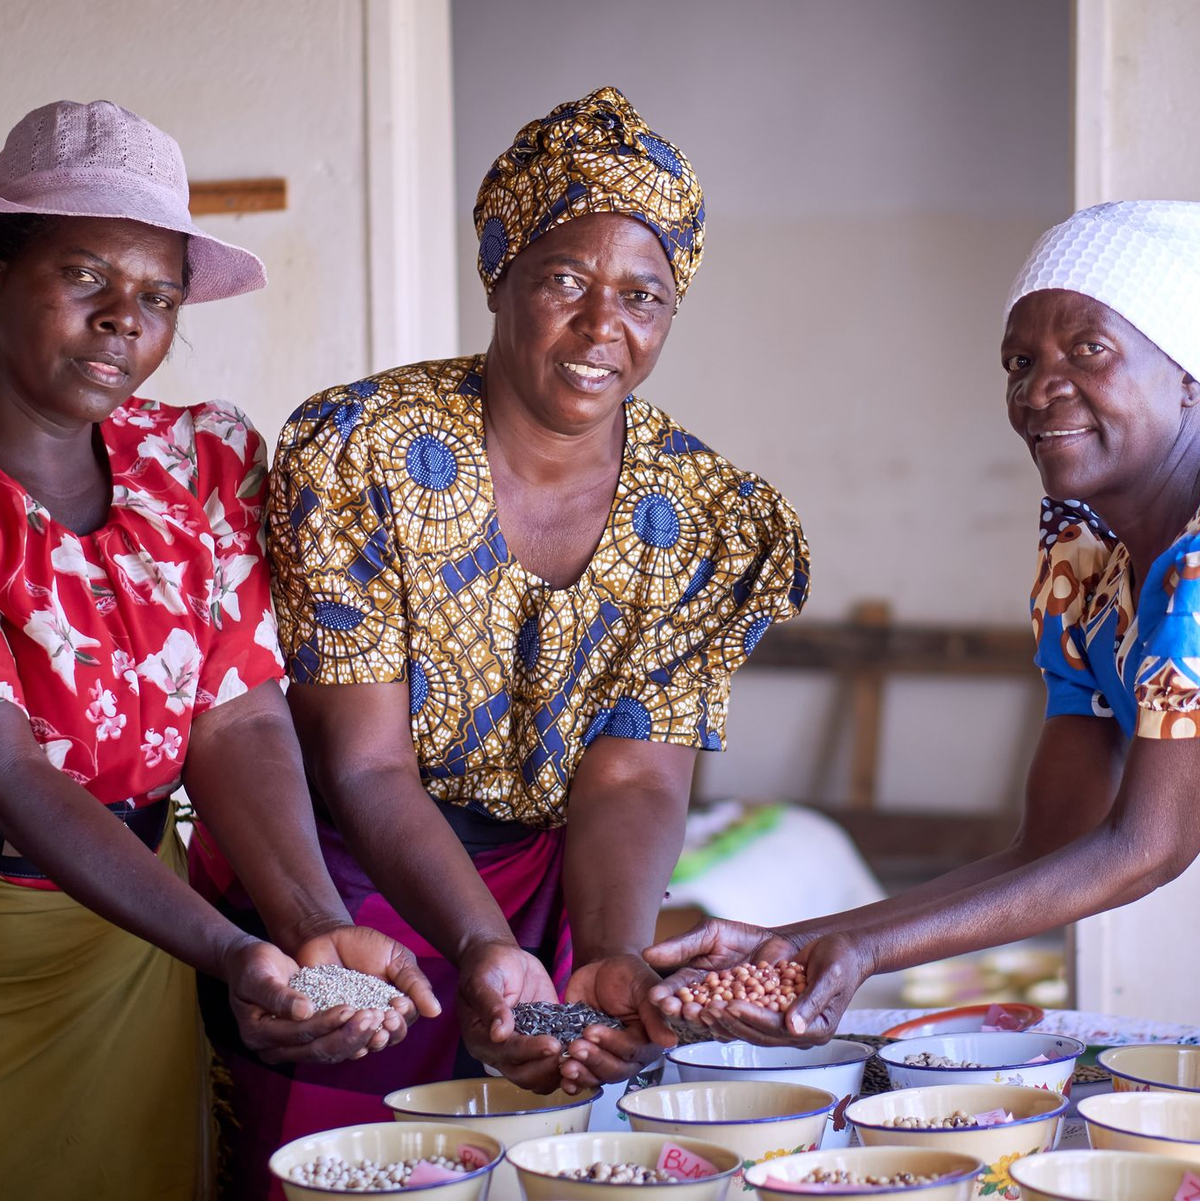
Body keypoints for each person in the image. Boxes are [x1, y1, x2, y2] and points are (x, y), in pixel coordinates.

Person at [190, 85, 811, 1195]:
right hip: (351, 880)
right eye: (565, 280)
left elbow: (632, 773)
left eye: (644, 297)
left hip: (553, 892)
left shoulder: (710, 515)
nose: (601, 329)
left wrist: (608, 952)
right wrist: (479, 947)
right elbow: (365, 760)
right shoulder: (364, 450)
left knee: (543, 1163)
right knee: (343, 1169)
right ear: (501, 275)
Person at [0, 100, 436, 1201]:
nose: (122, 322)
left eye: (157, 298)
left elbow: (236, 712)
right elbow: (11, 771)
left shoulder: (196, 460)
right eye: (85, 277)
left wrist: (308, 928)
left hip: (133, 932)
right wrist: (231, 951)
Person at [646, 200, 1200, 1046]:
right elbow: (1053, 844)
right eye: (1020, 360)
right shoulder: (1084, 563)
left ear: (1189, 373)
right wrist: (794, 943)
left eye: (1088, 349)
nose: (1040, 387)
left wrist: (863, 948)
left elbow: (1146, 847)